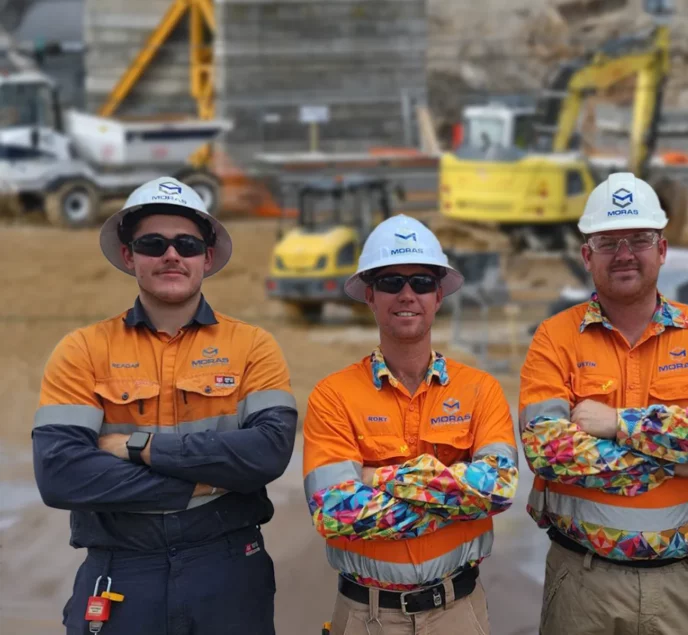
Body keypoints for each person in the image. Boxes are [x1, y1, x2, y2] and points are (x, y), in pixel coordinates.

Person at [32, 177, 298, 634]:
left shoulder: (253, 347)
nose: (171, 255)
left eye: (187, 244)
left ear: (206, 257)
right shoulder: (82, 350)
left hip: (229, 571)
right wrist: (197, 486)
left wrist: (138, 447)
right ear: (129, 254)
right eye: (153, 243)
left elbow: (268, 452)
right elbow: (60, 474)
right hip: (122, 572)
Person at [518, 172, 688, 635]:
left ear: (663, 249)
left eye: (639, 238)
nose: (625, 253)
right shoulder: (554, 338)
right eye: (609, 242)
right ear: (586, 255)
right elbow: (548, 451)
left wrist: (621, 424)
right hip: (582, 584)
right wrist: (678, 464)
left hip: (683, 586)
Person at [302, 214, 518, 634]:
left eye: (420, 282)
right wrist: (455, 500)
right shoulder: (333, 395)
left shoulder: (481, 390)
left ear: (438, 295)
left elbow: (498, 488)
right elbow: (333, 512)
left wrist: (377, 478)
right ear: (370, 294)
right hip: (366, 617)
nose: (406, 294)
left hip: (458, 612)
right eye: (390, 282)